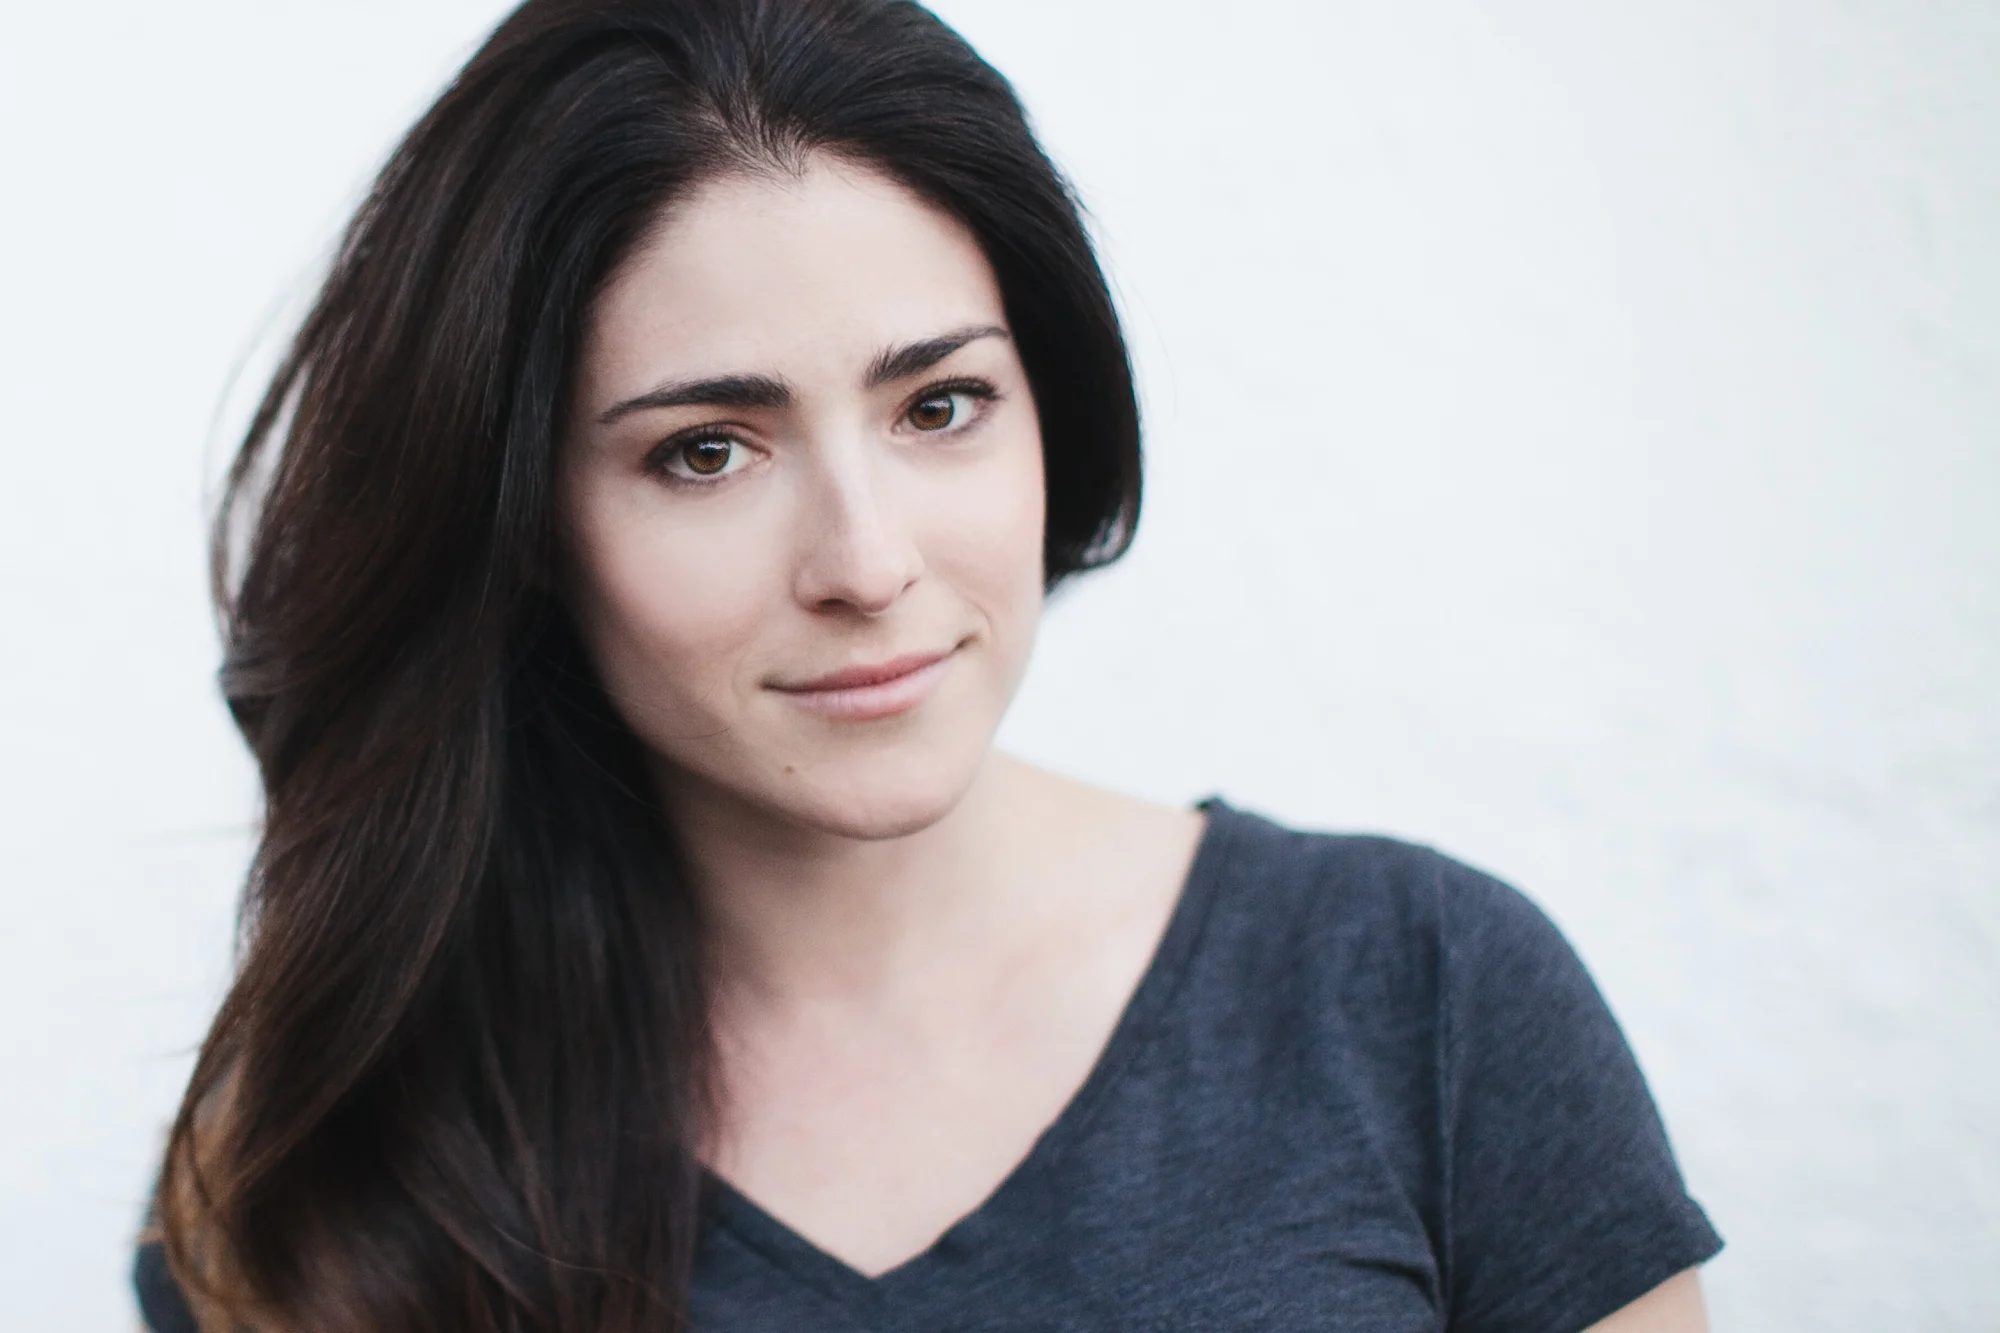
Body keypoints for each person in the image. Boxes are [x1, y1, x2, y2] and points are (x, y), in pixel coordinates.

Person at [135, 0, 1722, 1329]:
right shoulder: (330, 1165)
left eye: (939, 406)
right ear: (524, 526)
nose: (869, 562)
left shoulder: (1421, 994)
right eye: (706, 450)